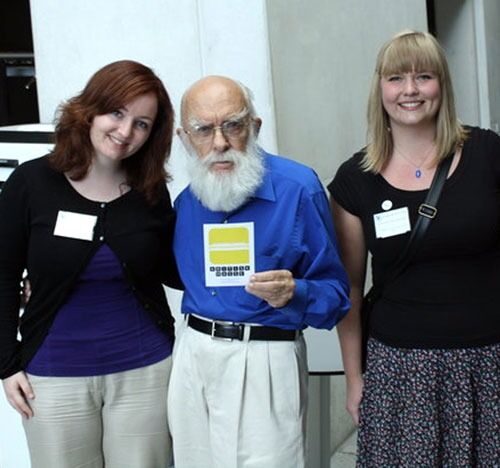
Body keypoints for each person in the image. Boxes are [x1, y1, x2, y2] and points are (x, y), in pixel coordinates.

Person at [328, 30, 500, 466]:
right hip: (401, 372)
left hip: (489, 363)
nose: (409, 90)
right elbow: (348, 288)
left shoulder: (488, 154)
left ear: (441, 84)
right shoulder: (355, 180)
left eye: (423, 76)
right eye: (396, 78)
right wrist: (354, 378)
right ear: (379, 88)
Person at [0, 60, 181, 468]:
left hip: (145, 374)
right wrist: (6, 365)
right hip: (53, 375)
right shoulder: (31, 184)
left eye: (142, 123)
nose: (125, 131)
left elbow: (173, 271)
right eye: (117, 113)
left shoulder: (150, 193)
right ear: (90, 110)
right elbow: (4, 276)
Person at [167, 75, 350, 467]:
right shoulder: (186, 202)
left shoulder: (299, 189)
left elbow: (337, 296)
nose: (219, 143)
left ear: (255, 126)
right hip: (193, 355)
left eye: (232, 125)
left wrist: (296, 291)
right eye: (203, 130)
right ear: (184, 137)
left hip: (264, 357)